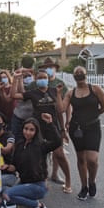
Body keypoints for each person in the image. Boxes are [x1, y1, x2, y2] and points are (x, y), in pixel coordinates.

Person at [11, 69, 72, 194]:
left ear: (48, 79)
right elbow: (13, 96)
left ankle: (68, 181)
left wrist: (59, 94)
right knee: (39, 155)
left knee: (60, 154)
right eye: (39, 78)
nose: (42, 80)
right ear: (36, 80)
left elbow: (61, 110)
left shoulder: (54, 91)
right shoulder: (32, 93)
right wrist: (15, 79)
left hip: (52, 126)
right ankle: (41, 181)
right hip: (38, 129)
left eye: (44, 77)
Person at [0, 114, 62, 208]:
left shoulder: (41, 145)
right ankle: (28, 199)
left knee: (7, 194)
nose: (27, 132)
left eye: (31, 130)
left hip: (38, 184)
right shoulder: (19, 145)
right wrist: (7, 167)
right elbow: (15, 167)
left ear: (36, 131)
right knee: (2, 190)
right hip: (24, 182)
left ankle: (39, 206)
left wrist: (51, 123)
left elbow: (57, 142)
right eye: (26, 129)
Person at [63, 66, 104, 201]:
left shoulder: (95, 89)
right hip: (76, 129)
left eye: (81, 73)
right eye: (76, 73)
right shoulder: (71, 93)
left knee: (92, 160)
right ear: (74, 77)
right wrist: (59, 95)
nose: (79, 75)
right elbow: (62, 108)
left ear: (85, 74)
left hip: (93, 127)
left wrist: (94, 115)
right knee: (81, 159)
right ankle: (84, 187)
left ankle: (92, 181)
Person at [35, 58, 71, 186]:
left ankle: (56, 173)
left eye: (52, 67)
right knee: (41, 150)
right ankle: (41, 176)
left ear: (55, 68)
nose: (49, 69)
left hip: (56, 121)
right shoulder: (37, 83)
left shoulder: (60, 84)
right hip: (39, 122)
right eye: (47, 67)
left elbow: (67, 104)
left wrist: (66, 123)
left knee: (58, 151)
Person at [10, 63, 35, 142]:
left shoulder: (35, 87)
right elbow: (21, 91)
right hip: (18, 118)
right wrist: (19, 77)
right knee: (16, 139)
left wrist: (27, 70)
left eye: (29, 76)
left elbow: (36, 72)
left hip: (31, 119)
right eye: (25, 76)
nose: (27, 78)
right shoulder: (16, 85)